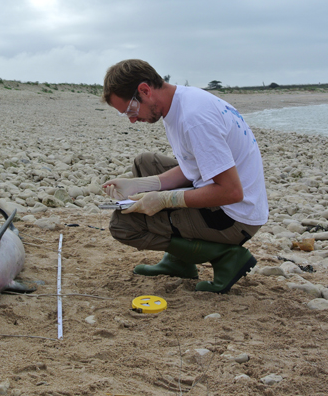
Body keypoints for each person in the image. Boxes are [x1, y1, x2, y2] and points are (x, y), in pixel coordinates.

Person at [101, 59, 268, 293]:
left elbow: (231, 191)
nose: (131, 119)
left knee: (123, 226)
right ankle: (179, 261)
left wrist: (166, 200)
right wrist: (140, 184)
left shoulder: (194, 119)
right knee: (145, 162)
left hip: (235, 218)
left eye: (130, 110)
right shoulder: (181, 101)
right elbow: (196, 168)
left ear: (145, 90)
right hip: (231, 200)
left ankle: (225, 255)